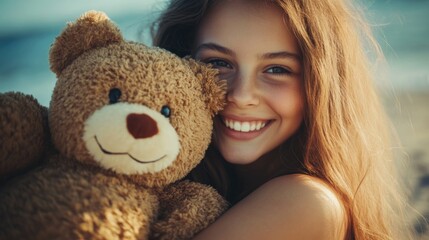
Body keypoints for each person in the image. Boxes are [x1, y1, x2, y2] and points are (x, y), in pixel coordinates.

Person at [151, 0, 412, 239]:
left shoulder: (309, 201)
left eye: (277, 69)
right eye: (219, 62)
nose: (241, 96)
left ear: (321, 85)